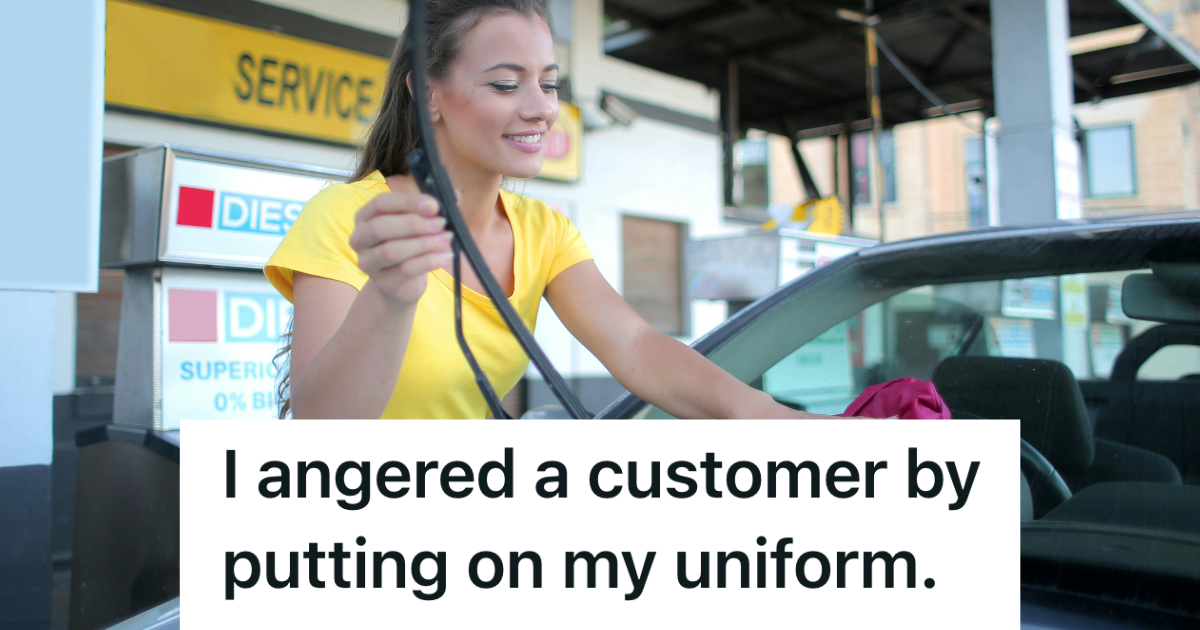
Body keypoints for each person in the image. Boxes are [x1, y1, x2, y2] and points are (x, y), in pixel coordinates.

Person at [264, 0, 818, 420]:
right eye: (506, 84)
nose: (542, 109)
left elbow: (635, 345)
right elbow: (321, 425)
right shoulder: (346, 216)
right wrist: (389, 298)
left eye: (549, 84)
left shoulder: (545, 232)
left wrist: (770, 418)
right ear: (428, 93)